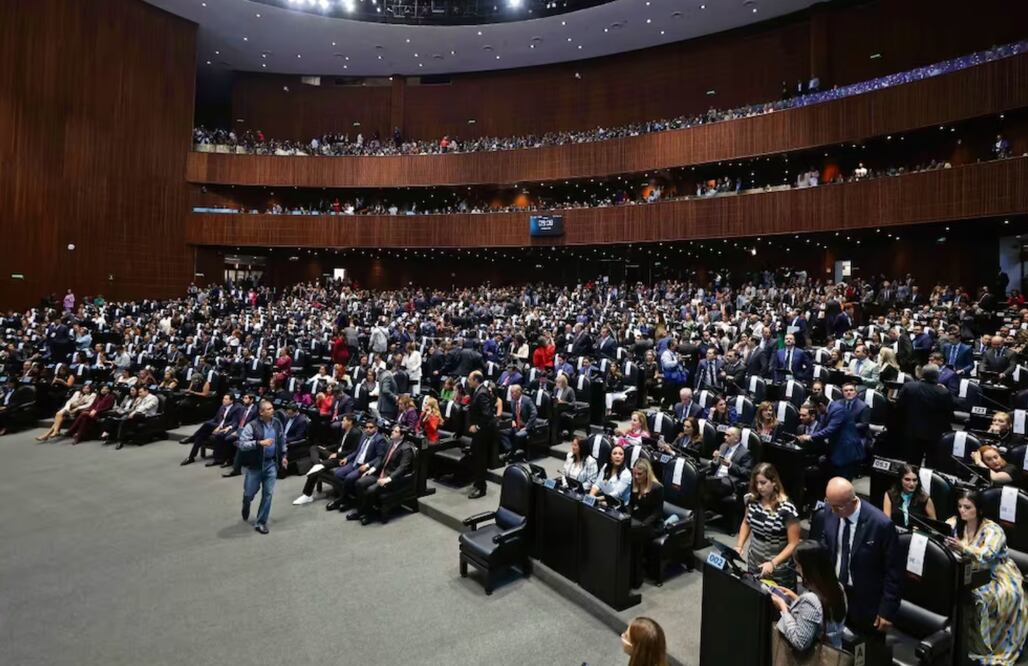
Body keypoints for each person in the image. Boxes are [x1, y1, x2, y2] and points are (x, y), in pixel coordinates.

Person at [816, 477, 901, 653]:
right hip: (836, 593)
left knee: (867, 653)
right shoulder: (830, 512)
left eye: (837, 506)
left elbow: (894, 571)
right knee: (836, 648)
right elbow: (826, 549)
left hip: (867, 602)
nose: (832, 510)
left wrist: (887, 610)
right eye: (829, 503)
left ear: (853, 502)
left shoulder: (881, 525)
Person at [944, 490, 1028, 664]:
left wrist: (963, 548)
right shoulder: (953, 523)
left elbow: (987, 555)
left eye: (967, 507)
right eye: (960, 506)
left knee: (984, 598)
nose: (962, 511)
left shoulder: (993, 530)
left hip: (996, 573)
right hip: (963, 570)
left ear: (979, 510)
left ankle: (983, 646)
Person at [770, 540, 848, 651]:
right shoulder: (838, 588)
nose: (797, 570)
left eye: (798, 566)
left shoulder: (810, 600)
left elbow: (800, 642)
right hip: (835, 650)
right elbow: (821, 612)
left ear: (808, 568)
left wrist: (784, 609)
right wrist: (796, 599)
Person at [735, 463, 801, 589]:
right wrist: (739, 545)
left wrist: (773, 563)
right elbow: (746, 522)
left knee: (778, 603)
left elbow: (794, 543)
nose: (759, 487)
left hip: (779, 568)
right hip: (755, 560)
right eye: (756, 483)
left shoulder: (787, 509)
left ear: (774, 482)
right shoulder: (752, 500)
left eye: (763, 482)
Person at [237, 399, 287, 534]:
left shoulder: (277, 423)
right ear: (261, 412)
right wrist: (259, 443)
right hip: (255, 466)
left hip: (271, 464)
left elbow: (282, 440)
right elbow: (242, 444)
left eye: (272, 408)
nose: (272, 411)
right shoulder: (251, 426)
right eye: (269, 409)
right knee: (249, 493)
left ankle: (260, 523)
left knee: (268, 494)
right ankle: (246, 503)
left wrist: (283, 456)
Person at [348, 424, 414, 525]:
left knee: (371, 489)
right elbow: (382, 459)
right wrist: (372, 470)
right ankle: (361, 511)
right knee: (359, 483)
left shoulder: (406, 449)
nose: (392, 432)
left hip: (391, 479)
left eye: (395, 431)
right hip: (380, 474)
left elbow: (402, 468)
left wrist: (388, 479)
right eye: (393, 430)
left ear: (402, 436)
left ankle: (368, 515)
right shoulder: (391, 443)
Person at [293, 413, 360, 505]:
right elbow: (338, 445)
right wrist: (326, 449)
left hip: (342, 459)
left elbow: (353, 451)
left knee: (316, 470)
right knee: (314, 448)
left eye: (344, 420)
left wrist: (337, 455)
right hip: (335, 454)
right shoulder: (345, 431)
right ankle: (317, 463)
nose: (341, 422)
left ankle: (307, 495)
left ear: (350, 422)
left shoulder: (355, 433)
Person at [895, 364, 954, 467]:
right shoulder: (943, 392)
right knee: (931, 464)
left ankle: (912, 481)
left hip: (912, 431)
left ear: (922, 374)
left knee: (912, 463)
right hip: (934, 435)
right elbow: (949, 415)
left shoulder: (909, 387)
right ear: (937, 376)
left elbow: (899, 407)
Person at [795, 394, 864, 481]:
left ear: (821, 405)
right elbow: (821, 428)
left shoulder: (838, 410)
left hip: (847, 450)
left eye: (816, 409)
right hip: (837, 450)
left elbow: (829, 430)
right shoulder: (826, 411)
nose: (817, 412)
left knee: (843, 481)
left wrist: (809, 436)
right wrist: (806, 437)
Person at [324, 418, 388, 511]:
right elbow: (357, 452)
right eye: (366, 427)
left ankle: (344, 499)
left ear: (376, 429)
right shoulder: (364, 436)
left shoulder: (379, 440)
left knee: (349, 478)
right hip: (355, 463)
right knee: (338, 473)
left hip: (364, 466)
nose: (368, 429)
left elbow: (380, 457)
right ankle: (348, 498)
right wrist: (347, 458)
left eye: (371, 427)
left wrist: (367, 465)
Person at [628, 459, 665, 587]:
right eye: (635, 474)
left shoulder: (657, 488)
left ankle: (636, 579)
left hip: (653, 524)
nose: (636, 477)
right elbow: (631, 505)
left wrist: (643, 525)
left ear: (646, 474)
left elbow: (657, 513)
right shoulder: (635, 484)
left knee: (635, 540)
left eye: (639, 474)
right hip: (638, 521)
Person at [466, 370, 497, 499]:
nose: (468, 381)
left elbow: (488, 415)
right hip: (480, 433)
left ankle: (481, 488)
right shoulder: (478, 391)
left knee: (481, 460)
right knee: (477, 458)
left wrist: (477, 427)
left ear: (476, 380)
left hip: (483, 432)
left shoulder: (482, 393)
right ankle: (477, 482)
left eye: (470, 379)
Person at [704, 427, 753, 501]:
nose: (725, 437)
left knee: (708, 487)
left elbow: (747, 473)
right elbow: (714, 466)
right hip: (716, 477)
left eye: (728, 435)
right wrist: (715, 459)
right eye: (725, 435)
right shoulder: (723, 446)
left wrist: (730, 465)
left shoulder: (745, 453)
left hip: (729, 480)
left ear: (736, 439)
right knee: (699, 480)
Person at [882, 463, 938, 528]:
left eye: (914, 480)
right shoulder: (890, 495)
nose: (912, 484)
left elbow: (934, 526)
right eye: (907, 479)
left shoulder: (924, 498)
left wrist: (922, 529)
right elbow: (886, 522)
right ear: (900, 480)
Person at [500, 384, 537, 461]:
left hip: (527, 427)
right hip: (516, 424)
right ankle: (509, 449)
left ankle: (512, 454)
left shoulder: (527, 400)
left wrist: (527, 427)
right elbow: (514, 415)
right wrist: (513, 421)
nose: (511, 394)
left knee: (517, 435)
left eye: (512, 392)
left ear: (519, 392)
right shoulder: (513, 401)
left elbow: (534, 413)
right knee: (500, 428)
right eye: (510, 392)